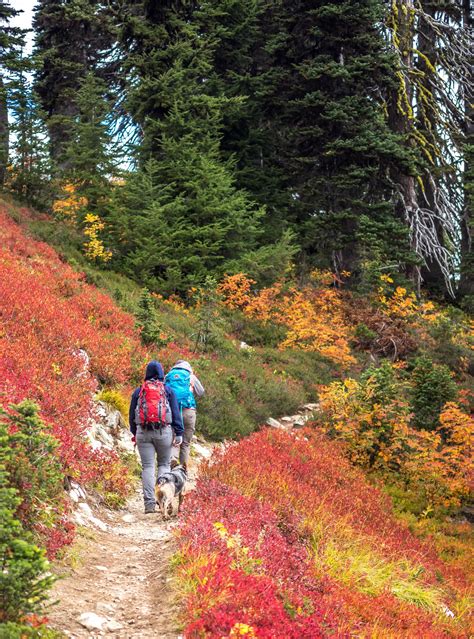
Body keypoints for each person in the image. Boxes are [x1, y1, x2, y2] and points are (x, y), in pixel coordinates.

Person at [129, 360, 183, 514]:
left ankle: (149, 504)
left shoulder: (139, 391)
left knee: (147, 466)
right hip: (164, 432)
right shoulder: (167, 390)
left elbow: (131, 414)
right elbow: (175, 412)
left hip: (143, 432)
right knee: (164, 465)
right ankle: (163, 501)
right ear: (161, 373)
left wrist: (135, 433)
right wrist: (179, 433)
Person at [165, 360, 205, 468]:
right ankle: (182, 470)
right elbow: (201, 392)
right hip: (188, 411)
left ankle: (172, 460)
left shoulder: (168, 376)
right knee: (185, 443)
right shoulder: (191, 376)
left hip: (172, 411)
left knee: (173, 438)